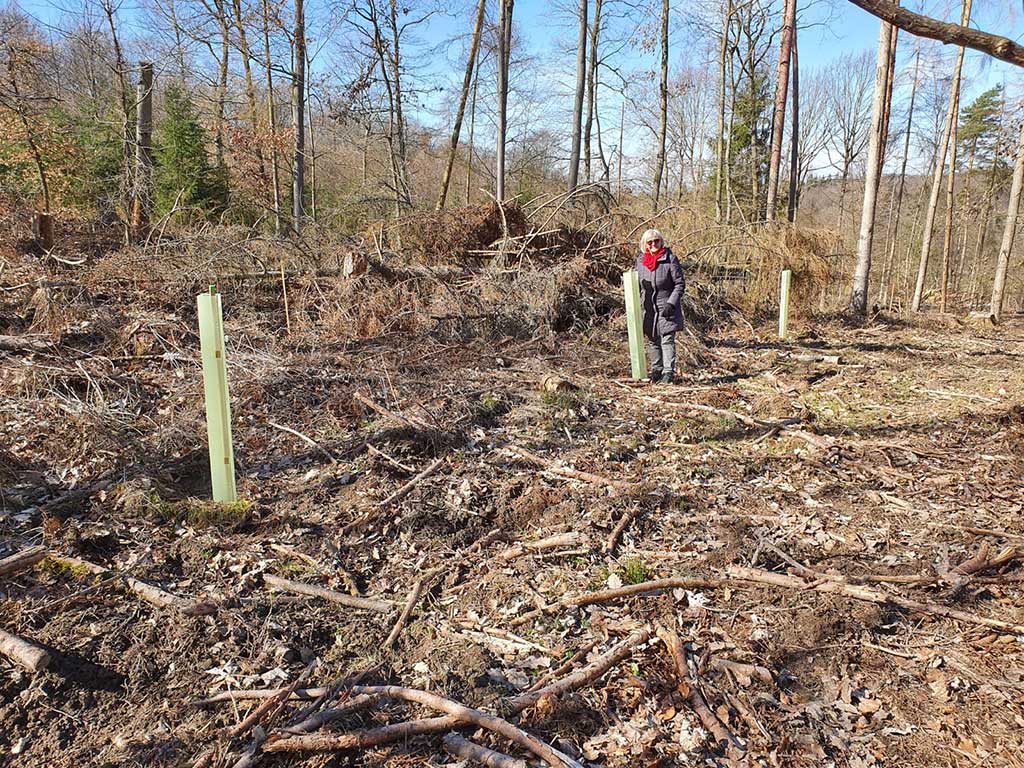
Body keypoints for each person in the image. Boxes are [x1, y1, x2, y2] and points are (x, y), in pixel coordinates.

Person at [636, 228, 684, 384]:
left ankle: (668, 372)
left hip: (667, 306)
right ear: (644, 244)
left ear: (661, 242)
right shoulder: (640, 262)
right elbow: (637, 285)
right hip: (649, 308)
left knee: (667, 340)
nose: (653, 244)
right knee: (653, 340)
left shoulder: (670, 259)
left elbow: (679, 284)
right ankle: (656, 370)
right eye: (649, 242)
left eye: (656, 241)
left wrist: (671, 303)